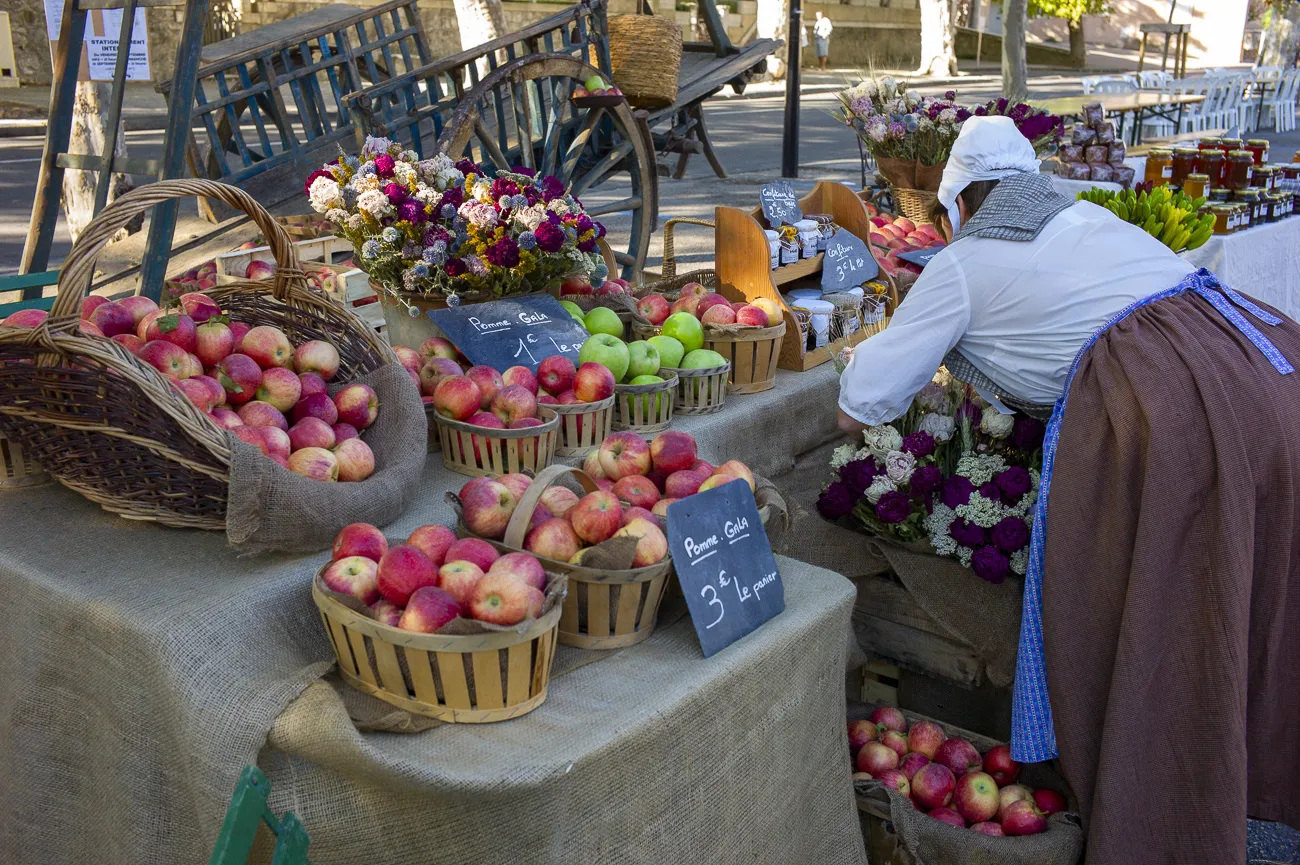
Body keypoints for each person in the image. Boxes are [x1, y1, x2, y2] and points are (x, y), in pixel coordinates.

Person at [837, 115, 1300, 865]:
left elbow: (860, 401)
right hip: (1263, 363)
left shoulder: (964, 261)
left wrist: (869, 351)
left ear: (959, 204)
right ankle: (1238, 780)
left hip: (1184, 417)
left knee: (1171, 632)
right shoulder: (1088, 218)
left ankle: (1165, 828)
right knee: (1245, 608)